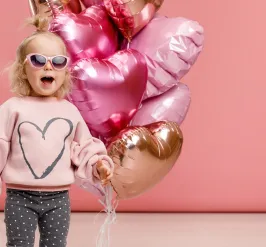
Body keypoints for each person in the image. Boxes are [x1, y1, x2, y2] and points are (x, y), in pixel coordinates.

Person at [0, 16, 114, 247]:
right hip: (20, 197)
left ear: (65, 72)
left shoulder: (69, 111)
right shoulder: (12, 108)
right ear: (24, 69)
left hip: (59, 200)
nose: (48, 66)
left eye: (58, 61)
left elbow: (84, 147)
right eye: (39, 60)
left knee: (55, 244)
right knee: (18, 244)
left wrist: (98, 164)